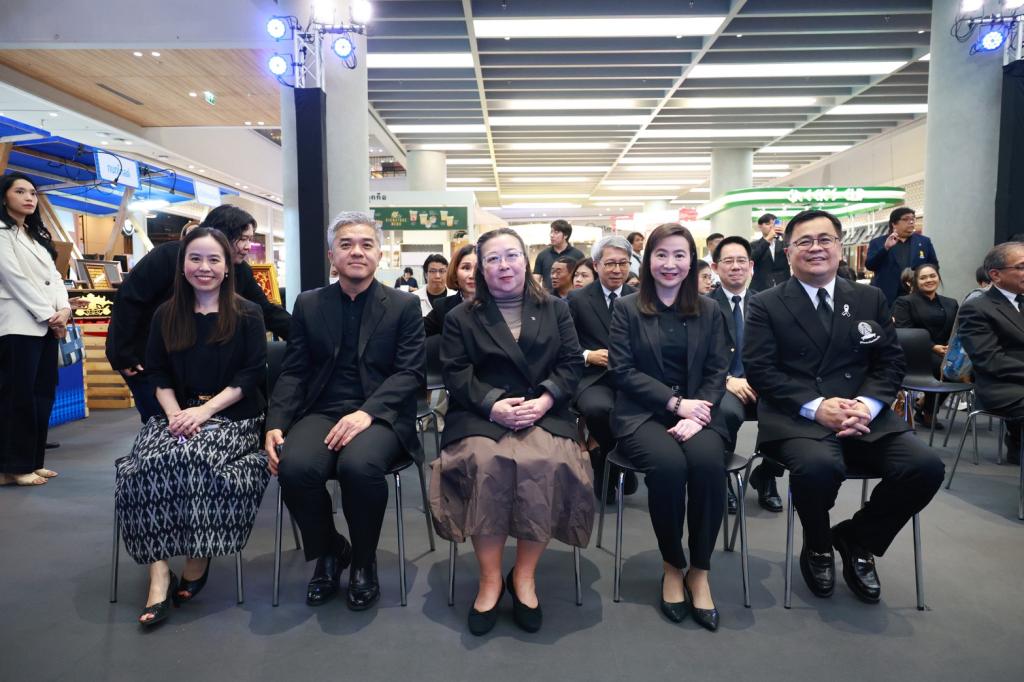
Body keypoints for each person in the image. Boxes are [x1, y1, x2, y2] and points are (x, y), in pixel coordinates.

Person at [744, 209, 944, 605]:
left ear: (839, 247)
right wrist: (817, 407)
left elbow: (890, 362)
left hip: (864, 413)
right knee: (819, 468)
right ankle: (818, 544)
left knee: (924, 467)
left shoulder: (869, 297)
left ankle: (856, 539)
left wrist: (866, 406)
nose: (815, 248)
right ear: (788, 253)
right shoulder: (766, 303)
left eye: (824, 240)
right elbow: (761, 370)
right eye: (804, 242)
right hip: (796, 415)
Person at [430, 227, 591, 636]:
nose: (504, 266)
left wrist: (547, 398)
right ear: (481, 268)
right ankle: (489, 580)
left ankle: (523, 576)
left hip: (543, 408)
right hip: (481, 411)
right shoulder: (460, 317)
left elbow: (572, 364)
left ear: (526, 260)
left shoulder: (556, 308)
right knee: (488, 463)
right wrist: (493, 404)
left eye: (511, 256)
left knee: (546, 461)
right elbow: (456, 373)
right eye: (493, 259)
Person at [266, 211, 424, 611]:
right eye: (347, 244)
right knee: (295, 467)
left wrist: (367, 413)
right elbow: (295, 370)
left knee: (359, 467)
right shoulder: (309, 303)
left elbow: (410, 373)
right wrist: (276, 423)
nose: (357, 251)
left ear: (379, 253)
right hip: (321, 410)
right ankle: (332, 549)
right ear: (331, 254)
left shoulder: (404, 305)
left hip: (380, 415)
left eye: (366, 244)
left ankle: (364, 560)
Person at [114, 227, 270, 627]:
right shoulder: (166, 315)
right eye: (196, 259)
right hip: (176, 412)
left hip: (233, 415)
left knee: (192, 456)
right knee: (141, 466)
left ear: (227, 267)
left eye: (214, 259)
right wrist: (174, 415)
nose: (205, 267)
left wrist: (203, 414)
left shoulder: (248, 314)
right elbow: (158, 375)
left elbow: (249, 376)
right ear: (182, 266)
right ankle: (159, 570)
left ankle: (199, 553)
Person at [608, 222, 729, 631]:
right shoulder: (626, 307)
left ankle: (700, 570)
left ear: (692, 260)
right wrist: (676, 404)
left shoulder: (710, 309)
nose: (671, 264)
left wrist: (698, 413)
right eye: (661, 254)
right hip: (643, 413)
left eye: (680, 255)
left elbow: (717, 370)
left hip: (699, 412)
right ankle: (672, 565)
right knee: (669, 467)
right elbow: (622, 371)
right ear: (648, 261)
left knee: (709, 465)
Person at [106, 205, 291, 422]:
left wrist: (307, 334)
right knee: (161, 423)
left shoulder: (239, 271)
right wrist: (122, 353)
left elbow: (268, 312)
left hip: (201, 371)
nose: (248, 247)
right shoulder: (167, 257)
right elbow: (129, 300)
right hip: (148, 361)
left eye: (214, 261)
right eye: (243, 239)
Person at [0, 173, 70, 486]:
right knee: (18, 398)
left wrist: (64, 310)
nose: (30, 197)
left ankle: (32, 460)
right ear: (4, 197)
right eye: (20, 191)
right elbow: (14, 279)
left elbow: (55, 278)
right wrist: (49, 315)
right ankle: (13, 465)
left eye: (33, 192)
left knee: (42, 395)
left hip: (45, 326)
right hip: (17, 325)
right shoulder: (1, 234)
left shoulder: (32, 235)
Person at [710, 236, 783, 514]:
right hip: (723, 383)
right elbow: (696, 356)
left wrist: (764, 379)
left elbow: (780, 351)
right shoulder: (703, 305)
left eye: (742, 261)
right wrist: (727, 379)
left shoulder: (767, 304)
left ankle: (766, 475)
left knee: (789, 411)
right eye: (728, 261)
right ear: (716, 267)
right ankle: (723, 477)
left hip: (762, 382)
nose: (736, 267)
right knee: (726, 414)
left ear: (751, 266)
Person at [566, 236, 636, 501]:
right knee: (599, 409)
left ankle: (609, 459)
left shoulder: (639, 298)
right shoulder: (578, 299)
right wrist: (587, 355)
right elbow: (564, 344)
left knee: (641, 408)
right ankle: (614, 458)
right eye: (610, 264)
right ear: (596, 265)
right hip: (593, 378)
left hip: (632, 376)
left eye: (623, 263)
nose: (617, 270)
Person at [958, 242, 1024, 463]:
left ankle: (1017, 442)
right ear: (995, 275)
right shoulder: (977, 307)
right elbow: (990, 360)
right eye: (1022, 266)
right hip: (1003, 386)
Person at [893, 264, 958, 429]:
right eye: (923, 278)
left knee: (961, 369)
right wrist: (933, 347)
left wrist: (951, 346)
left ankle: (923, 405)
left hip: (945, 352)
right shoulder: (905, 302)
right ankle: (929, 411)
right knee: (945, 368)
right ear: (916, 281)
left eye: (932, 276)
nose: (929, 280)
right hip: (916, 354)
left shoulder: (950, 303)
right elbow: (904, 331)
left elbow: (958, 330)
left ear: (938, 277)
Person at [865, 207, 939, 306]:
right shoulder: (878, 242)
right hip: (888, 298)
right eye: (906, 219)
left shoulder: (924, 242)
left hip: (917, 296)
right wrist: (885, 248)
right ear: (894, 224)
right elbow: (870, 265)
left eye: (913, 218)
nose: (911, 222)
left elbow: (933, 266)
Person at [424, 244, 476, 337]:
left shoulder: (501, 304)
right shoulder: (442, 307)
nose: (472, 275)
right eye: (466, 268)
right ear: (455, 272)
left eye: (478, 268)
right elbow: (415, 333)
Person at [533, 219, 584, 290]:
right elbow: (536, 279)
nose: (551, 235)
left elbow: (582, 278)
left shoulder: (577, 255)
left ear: (565, 235)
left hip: (571, 297)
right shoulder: (542, 255)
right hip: (548, 298)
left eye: (556, 232)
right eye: (551, 232)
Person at [750, 213, 790, 292]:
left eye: (774, 224)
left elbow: (794, 252)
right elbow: (752, 258)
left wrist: (785, 235)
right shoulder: (753, 245)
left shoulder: (783, 243)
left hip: (783, 286)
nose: (771, 227)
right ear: (760, 226)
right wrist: (768, 239)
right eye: (768, 224)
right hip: (760, 287)